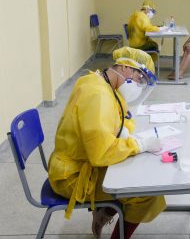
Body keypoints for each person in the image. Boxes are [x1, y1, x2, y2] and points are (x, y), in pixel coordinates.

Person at [48, 46, 165, 239]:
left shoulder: (99, 81)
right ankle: (110, 221)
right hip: (73, 177)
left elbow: (121, 114)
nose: (138, 85)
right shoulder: (97, 95)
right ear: (126, 68)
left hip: (77, 163)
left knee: (139, 177)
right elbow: (101, 154)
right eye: (139, 79)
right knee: (148, 193)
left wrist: (126, 131)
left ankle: (104, 213)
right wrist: (139, 145)